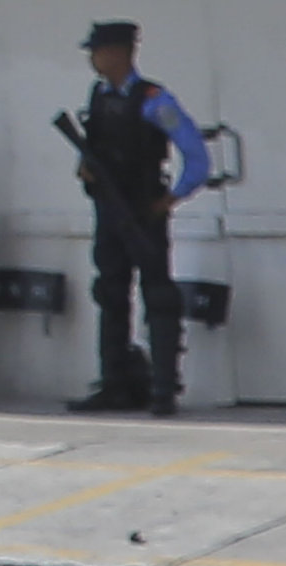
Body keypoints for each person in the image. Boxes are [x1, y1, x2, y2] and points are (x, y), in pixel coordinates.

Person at [70, 20, 206, 413]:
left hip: (143, 211)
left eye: (98, 51)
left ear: (119, 52)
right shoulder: (99, 96)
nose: (93, 60)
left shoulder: (153, 100)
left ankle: (163, 389)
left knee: (159, 296)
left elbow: (195, 154)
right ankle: (114, 384)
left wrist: (172, 197)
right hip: (109, 210)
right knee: (110, 292)